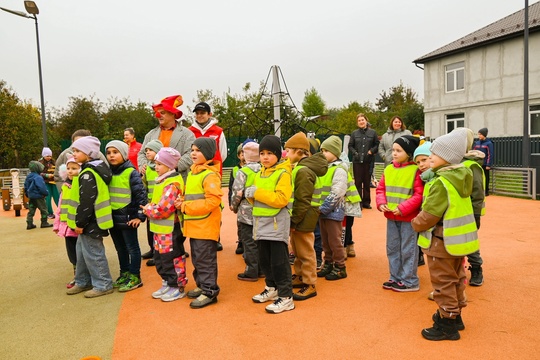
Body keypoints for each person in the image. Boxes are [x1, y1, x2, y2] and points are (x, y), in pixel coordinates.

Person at [412, 130, 479, 341]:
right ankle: (456, 315)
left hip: (440, 241)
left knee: (442, 282)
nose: (430, 158)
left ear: (448, 158)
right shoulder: (461, 177)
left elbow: (430, 214)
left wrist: (415, 223)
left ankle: (447, 323)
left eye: (435, 154)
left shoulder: (441, 183)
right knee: (457, 278)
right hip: (458, 242)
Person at [247, 135, 294, 314]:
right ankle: (272, 288)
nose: (265, 157)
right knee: (265, 260)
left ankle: (286, 296)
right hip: (260, 224)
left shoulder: (283, 173)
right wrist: (251, 196)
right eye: (262, 153)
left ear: (278, 155)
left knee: (279, 262)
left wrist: (257, 193)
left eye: (270, 153)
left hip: (276, 224)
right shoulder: (259, 173)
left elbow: (281, 199)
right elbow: (257, 200)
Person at [175, 138, 223, 309]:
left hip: (205, 226)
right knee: (197, 258)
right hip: (195, 226)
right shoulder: (194, 173)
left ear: (208, 154)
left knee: (205, 260)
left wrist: (185, 206)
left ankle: (210, 291)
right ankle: (202, 285)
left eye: (198, 150)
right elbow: (194, 196)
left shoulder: (209, 175)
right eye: (192, 150)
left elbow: (212, 202)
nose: (193, 153)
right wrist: (182, 199)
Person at [65, 136, 114, 298]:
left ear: (89, 153)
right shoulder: (91, 169)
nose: (74, 154)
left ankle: (103, 283)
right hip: (92, 221)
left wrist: (80, 223)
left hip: (91, 222)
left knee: (93, 253)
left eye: (78, 151)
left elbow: (86, 201)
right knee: (82, 252)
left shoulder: (88, 174)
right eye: (74, 150)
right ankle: (83, 280)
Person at [376, 135, 423, 292]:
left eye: (399, 150)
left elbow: (419, 195)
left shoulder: (415, 170)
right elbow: (380, 188)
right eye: (393, 150)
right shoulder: (389, 169)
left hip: (408, 218)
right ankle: (395, 277)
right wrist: (381, 202)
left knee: (408, 248)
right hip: (391, 216)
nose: (394, 153)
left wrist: (403, 208)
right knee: (392, 247)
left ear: (409, 153)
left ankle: (409, 280)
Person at [285, 132, 327, 300]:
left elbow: (303, 200)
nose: (286, 154)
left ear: (299, 151)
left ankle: (310, 283)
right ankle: (300, 275)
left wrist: (294, 220)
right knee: (297, 249)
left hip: (304, 216)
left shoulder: (303, 171)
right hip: (304, 215)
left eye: (288, 151)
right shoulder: (301, 168)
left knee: (305, 251)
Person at [142, 147, 188, 302]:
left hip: (170, 229)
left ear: (170, 166)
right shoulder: (162, 180)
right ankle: (167, 282)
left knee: (172, 258)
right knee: (161, 258)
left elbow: (163, 209)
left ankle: (177, 286)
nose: (156, 167)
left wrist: (148, 209)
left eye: (160, 164)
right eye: (156, 163)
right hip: (159, 229)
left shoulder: (172, 183)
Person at [105, 140, 147, 292]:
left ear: (123, 154)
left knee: (132, 248)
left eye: (115, 152)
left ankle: (135, 276)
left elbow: (141, 196)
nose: (111, 156)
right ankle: (125, 273)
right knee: (120, 248)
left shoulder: (131, 172)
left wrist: (140, 217)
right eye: (108, 153)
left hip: (128, 218)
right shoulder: (107, 172)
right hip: (113, 218)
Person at [138, 95, 195, 181]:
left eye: (163, 113)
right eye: (158, 113)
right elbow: (142, 153)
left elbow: (190, 154)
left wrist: (171, 166)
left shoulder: (187, 134)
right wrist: (144, 165)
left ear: (172, 113)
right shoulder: (150, 134)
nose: (158, 115)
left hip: (177, 181)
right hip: (153, 182)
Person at [316, 136, 349, 281]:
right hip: (322, 211)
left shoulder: (339, 169)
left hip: (333, 211)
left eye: (326, 151)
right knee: (325, 240)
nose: (323, 153)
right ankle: (328, 262)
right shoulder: (324, 168)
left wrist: (324, 207)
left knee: (335, 241)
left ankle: (340, 267)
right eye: (322, 150)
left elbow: (338, 191)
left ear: (335, 153)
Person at [231, 141, 262, 281]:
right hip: (262, 212)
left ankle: (251, 270)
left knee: (249, 242)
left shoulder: (243, 172)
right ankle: (262, 268)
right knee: (260, 242)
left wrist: (234, 206)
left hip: (246, 213)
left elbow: (237, 192)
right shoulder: (264, 170)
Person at [53, 156, 81, 288]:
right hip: (67, 226)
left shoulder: (82, 184)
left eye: (74, 168)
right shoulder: (65, 186)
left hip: (78, 226)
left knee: (82, 252)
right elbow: (60, 206)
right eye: (68, 168)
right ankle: (77, 275)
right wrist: (57, 224)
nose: (70, 171)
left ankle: (82, 276)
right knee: (72, 253)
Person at [140, 139, 164, 266]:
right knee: (150, 229)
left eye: (151, 150)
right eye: (146, 150)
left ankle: (158, 253)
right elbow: (144, 185)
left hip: (161, 204)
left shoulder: (162, 167)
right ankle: (152, 249)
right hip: (150, 203)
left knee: (159, 229)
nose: (147, 152)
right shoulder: (147, 168)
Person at [348, 113, 379, 209]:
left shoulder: (373, 133)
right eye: (359, 120)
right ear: (357, 123)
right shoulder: (354, 133)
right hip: (357, 162)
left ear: (366, 121)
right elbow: (350, 146)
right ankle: (359, 202)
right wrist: (355, 153)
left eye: (363, 120)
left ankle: (366, 202)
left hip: (368, 161)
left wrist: (371, 151)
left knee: (366, 183)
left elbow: (377, 145)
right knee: (357, 183)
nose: (361, 122)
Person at [189, 102, 228, 176]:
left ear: (210, 114)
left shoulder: (218, 131)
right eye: (197, 113)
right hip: (194, 171)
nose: (199, 115)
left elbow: (223, 153)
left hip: (214, 171)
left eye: (202, 113)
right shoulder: (189, 131)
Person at [412, 141, 434, 267]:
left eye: (424, 160)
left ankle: (475, 266)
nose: (421, 165)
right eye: (418, 162)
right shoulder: (423, 177)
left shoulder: (436, 177)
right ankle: (420, 253)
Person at [229, 143, 247, 255]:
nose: (244, 156)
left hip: (249, 201)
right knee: (240, 223)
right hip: (239, 202)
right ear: (238, 155)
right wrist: (231, 202)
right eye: (242, 153)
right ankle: (241, 242)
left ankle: (248, 243)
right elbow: (231, 187)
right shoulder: (235, 170)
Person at [24, 161, 53, 230]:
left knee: (31, 210)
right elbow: (41, 187)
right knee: (44, 209)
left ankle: (29, 223)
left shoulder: (28, 176)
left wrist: (27, 194)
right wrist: (45, 193)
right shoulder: (38, 177)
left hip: (31, 196)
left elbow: (25, 186)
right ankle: (44, 222)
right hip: (39, 196)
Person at [39, 147, 59, 219]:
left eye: (50, 156)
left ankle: (61, 211)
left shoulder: (54, 162)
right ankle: (49, 213)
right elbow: (38, 173)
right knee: (47, 198)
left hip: (54, 182)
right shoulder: (40, 163)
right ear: (44, 156)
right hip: (46, 183)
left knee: (58, 197)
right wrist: (46, 175)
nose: (49, 157)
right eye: (47, 156)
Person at [473, 127, 494, 196]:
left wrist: (488, 164)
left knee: (486, 178)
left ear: (484, 135)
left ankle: (486, 191)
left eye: (480, 134)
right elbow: (474, 153)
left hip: (485, 164)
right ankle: (479, 191)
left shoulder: (489, 143)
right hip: (477, 164)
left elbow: (490, 154)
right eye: (478, 134)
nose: (479, 136)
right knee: (478, 178)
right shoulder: (476, 143)